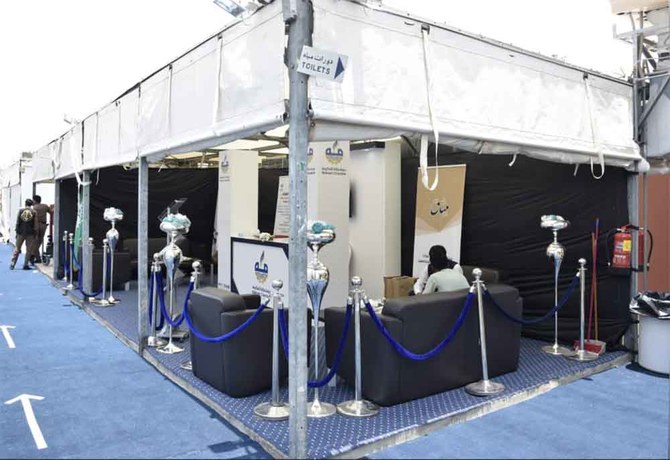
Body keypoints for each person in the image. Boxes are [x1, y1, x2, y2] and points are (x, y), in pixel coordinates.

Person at [10, 199, 36, 270]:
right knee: (28, 249)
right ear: (31, 205)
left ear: (25, 204)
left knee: (17, 248)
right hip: (30, 233)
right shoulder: (33, 212)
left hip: (21, 232)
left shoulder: (21, 211)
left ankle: (13, 263)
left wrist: (17, 231)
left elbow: (18, 222)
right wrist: (35, 232)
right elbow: (35, 224)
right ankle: (25, 264)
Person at [30, 195, 50, 264]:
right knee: (40, 241)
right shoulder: (45, 206)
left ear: (35, 200)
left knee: (35, 241)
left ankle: (32, 254)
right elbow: (51, 212)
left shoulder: (34, 208)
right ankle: (37, 258)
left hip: (35, 225)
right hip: (43, 225)